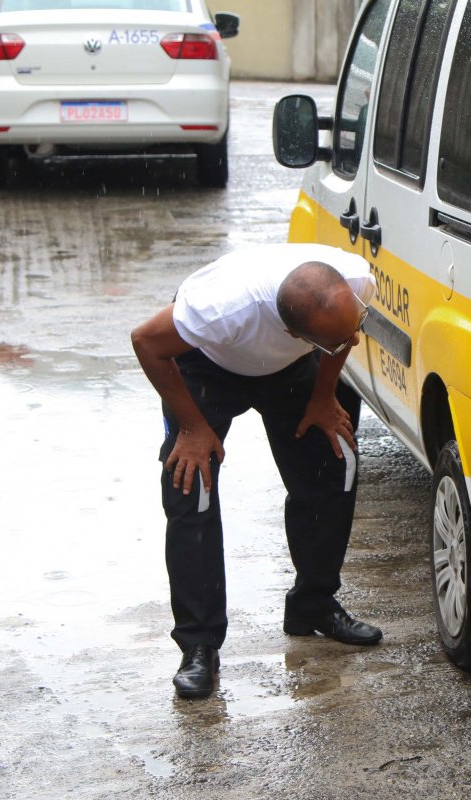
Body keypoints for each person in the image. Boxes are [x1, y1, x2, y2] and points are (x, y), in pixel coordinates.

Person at [131, 243, 383, 700]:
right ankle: (199, 644)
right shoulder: (220, 310)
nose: (356, 338)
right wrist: (191, 426)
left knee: (337, 459)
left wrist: (324, 397)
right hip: (209, 366)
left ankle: (313, 605)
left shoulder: (354, 281)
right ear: (289, 329)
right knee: (192, 485)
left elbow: (344, 336)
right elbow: (145, 341)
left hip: (288, 370)